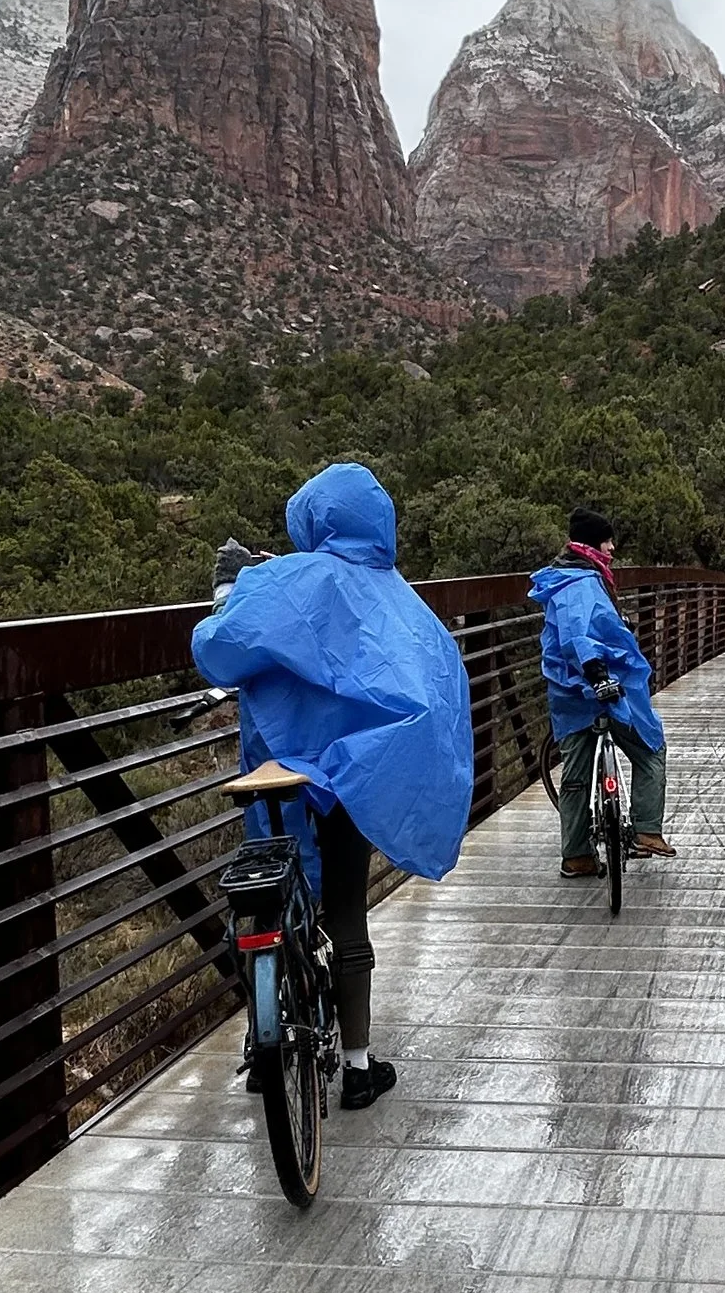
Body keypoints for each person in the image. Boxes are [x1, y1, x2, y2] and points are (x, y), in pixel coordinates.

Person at [193, 462, 473, 1110]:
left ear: (313, 518)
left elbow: (219, 646)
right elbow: (435, 685)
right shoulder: (404, 599)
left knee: (267, 884)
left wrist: (233, 588)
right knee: (346, 911)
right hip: (355, 773)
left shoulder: (287, 580)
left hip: (280, 770)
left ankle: (267, 1032)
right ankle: (356, 1065)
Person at [530, 509, 676, 876]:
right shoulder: (582, 582)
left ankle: (576, 855)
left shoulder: (565, 577)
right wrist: (597, 673)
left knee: (576, 773)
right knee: (650, 749)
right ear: (592, 544)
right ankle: (646, 830)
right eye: (607, 541)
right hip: (600, 684)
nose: (612, 548)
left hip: (567, 691)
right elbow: (580, 634)